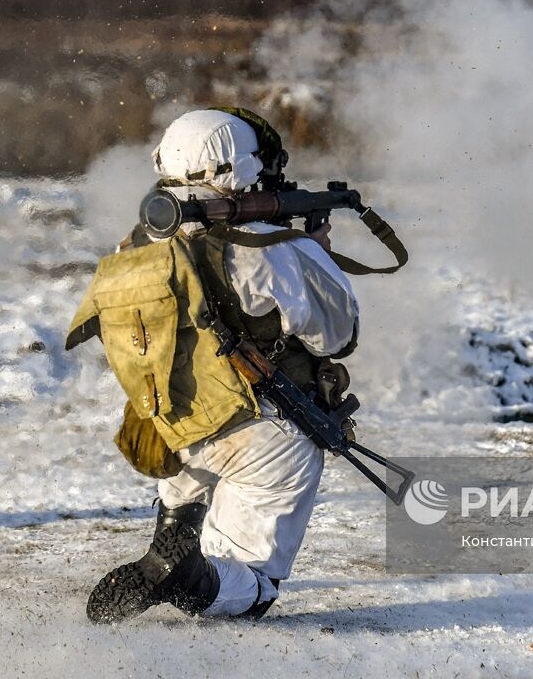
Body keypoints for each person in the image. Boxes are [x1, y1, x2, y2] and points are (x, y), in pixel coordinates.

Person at [77, 108, 359, 622]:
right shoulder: (275, 249)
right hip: (267, 432)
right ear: (242, 168)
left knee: (191, 499)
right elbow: (339, 335)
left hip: (176, 423)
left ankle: (171, 537)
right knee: (253, 582)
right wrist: (317, 256)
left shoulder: (137, 247)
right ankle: (189, 578)